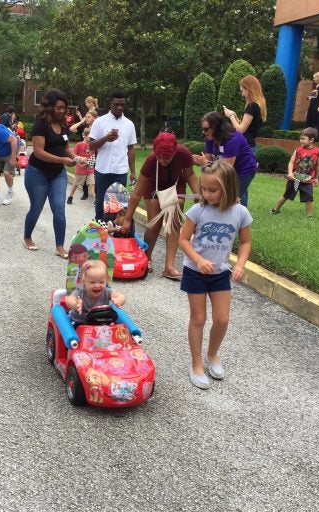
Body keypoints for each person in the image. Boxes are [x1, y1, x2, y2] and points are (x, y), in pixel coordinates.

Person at [178, 161, 252, 390]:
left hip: (220, 272)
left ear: (228, 187)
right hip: (195, 271)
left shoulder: (240, 212)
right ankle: (197, 363)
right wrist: (198, 260)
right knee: (198, 319)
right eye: (204, 189)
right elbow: (183, 240)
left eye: (213, 190)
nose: (207, 194)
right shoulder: (198, 210)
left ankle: (212, 354)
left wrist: (239, 264)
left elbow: (246, 242)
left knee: (222, 319)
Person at [120, 132, 200, 279]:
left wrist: (198, 195)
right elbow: (137, 193)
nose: (162, 161)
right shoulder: (151, 161)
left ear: (174, 151)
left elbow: (190, 175)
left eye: (167, 158)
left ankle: (168, 267)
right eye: (159, 157)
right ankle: (146, 257)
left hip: (176, 185)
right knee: (154, 224)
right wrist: (127, 218)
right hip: (153, 186)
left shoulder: (183, 154)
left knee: (174, 223)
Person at [23, 89, 78, 257]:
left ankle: (60, 246)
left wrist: (76, 157)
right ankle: (27, 237)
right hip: (37, 173)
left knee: (59, 209)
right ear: (50, 107)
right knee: (37, 207)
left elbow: (66, 148)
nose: (62, 111)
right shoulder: (40, 125)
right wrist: (63, 161)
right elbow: (39, 152)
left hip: (57, 174)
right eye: (59, 107)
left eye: (64, 108)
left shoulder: (63, 125)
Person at [89, 91, 137, 220]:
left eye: (122, 105)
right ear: (110, 103)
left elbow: (131, 149)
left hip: (120, 171)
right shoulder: (99, 122)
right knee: (100, 205)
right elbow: (91, 145)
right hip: (102, 170)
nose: (119, 107)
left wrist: (133, 172)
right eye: (116, 104)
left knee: (118, 207)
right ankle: (100, 233)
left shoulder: (129, 124)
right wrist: (106, 138)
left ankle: (114, 235)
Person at [192, 111, 257, 208]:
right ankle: (242, 213)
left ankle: (238, 218)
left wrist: (207, 162)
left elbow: (226, 168)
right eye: (202, 129)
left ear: (216, 127)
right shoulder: (210, 137)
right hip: (230, 168)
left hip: (244, 170)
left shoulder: (233, 139)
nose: (203, 132)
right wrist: (201, 162)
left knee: (232, 197)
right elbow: (208, 161)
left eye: (206, 129)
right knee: (238, 195)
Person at [271, 127, 319, 217]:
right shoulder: (298, 149)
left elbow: (318, 165)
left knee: (309, 198)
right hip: (295, 180)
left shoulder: (317, 151)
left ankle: (309, 216)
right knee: (286, 195)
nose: (300, 140)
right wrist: (290, 172)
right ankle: (275, 209)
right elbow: (291, 162)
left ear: (311, 140)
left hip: (307, 181)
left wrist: (317, 178)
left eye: (303, 139)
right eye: (300, 138)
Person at [65, 260, 125, 325]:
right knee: (74, 330)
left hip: (100, 322)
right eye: (92, 282)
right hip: (79, 322)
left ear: (106, 280)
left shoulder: (106, 291)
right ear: (84, 281)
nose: (97, 285)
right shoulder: (80, 292)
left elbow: (121, 296)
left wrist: (119, 300)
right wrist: (75, 304)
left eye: (101, 282)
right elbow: (69, 300)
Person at [222, 75, 267, 154]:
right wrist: (235, 116)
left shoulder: (252, 106)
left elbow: (240, 130)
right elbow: (247, 127)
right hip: (249, 145)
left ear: (249, 89)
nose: (242, 94)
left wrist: (230, 116)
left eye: (242, 91)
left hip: (245, 146)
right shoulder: (258, 105)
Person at [66, 126, 94, 204]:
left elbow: (93, 157)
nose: (91, 137)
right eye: (90, 135)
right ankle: (70, 197)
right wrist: (80, 164)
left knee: (92, 184)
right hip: (80, 169)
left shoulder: (92, 145)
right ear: (84, 135)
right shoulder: (79, 144)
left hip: (90, 169)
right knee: (75, 184)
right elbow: (74, 156)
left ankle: (96, 201)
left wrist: (90, 163)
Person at [305, 71, 319, 140]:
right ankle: (307, 136)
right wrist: (309, 97)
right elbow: (315, 95)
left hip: (317, 105)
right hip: (312, 105)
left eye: (314, 78)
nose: (313, 79)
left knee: (316, 121)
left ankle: (318, 137)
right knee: (309, 119)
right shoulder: (317, 86)